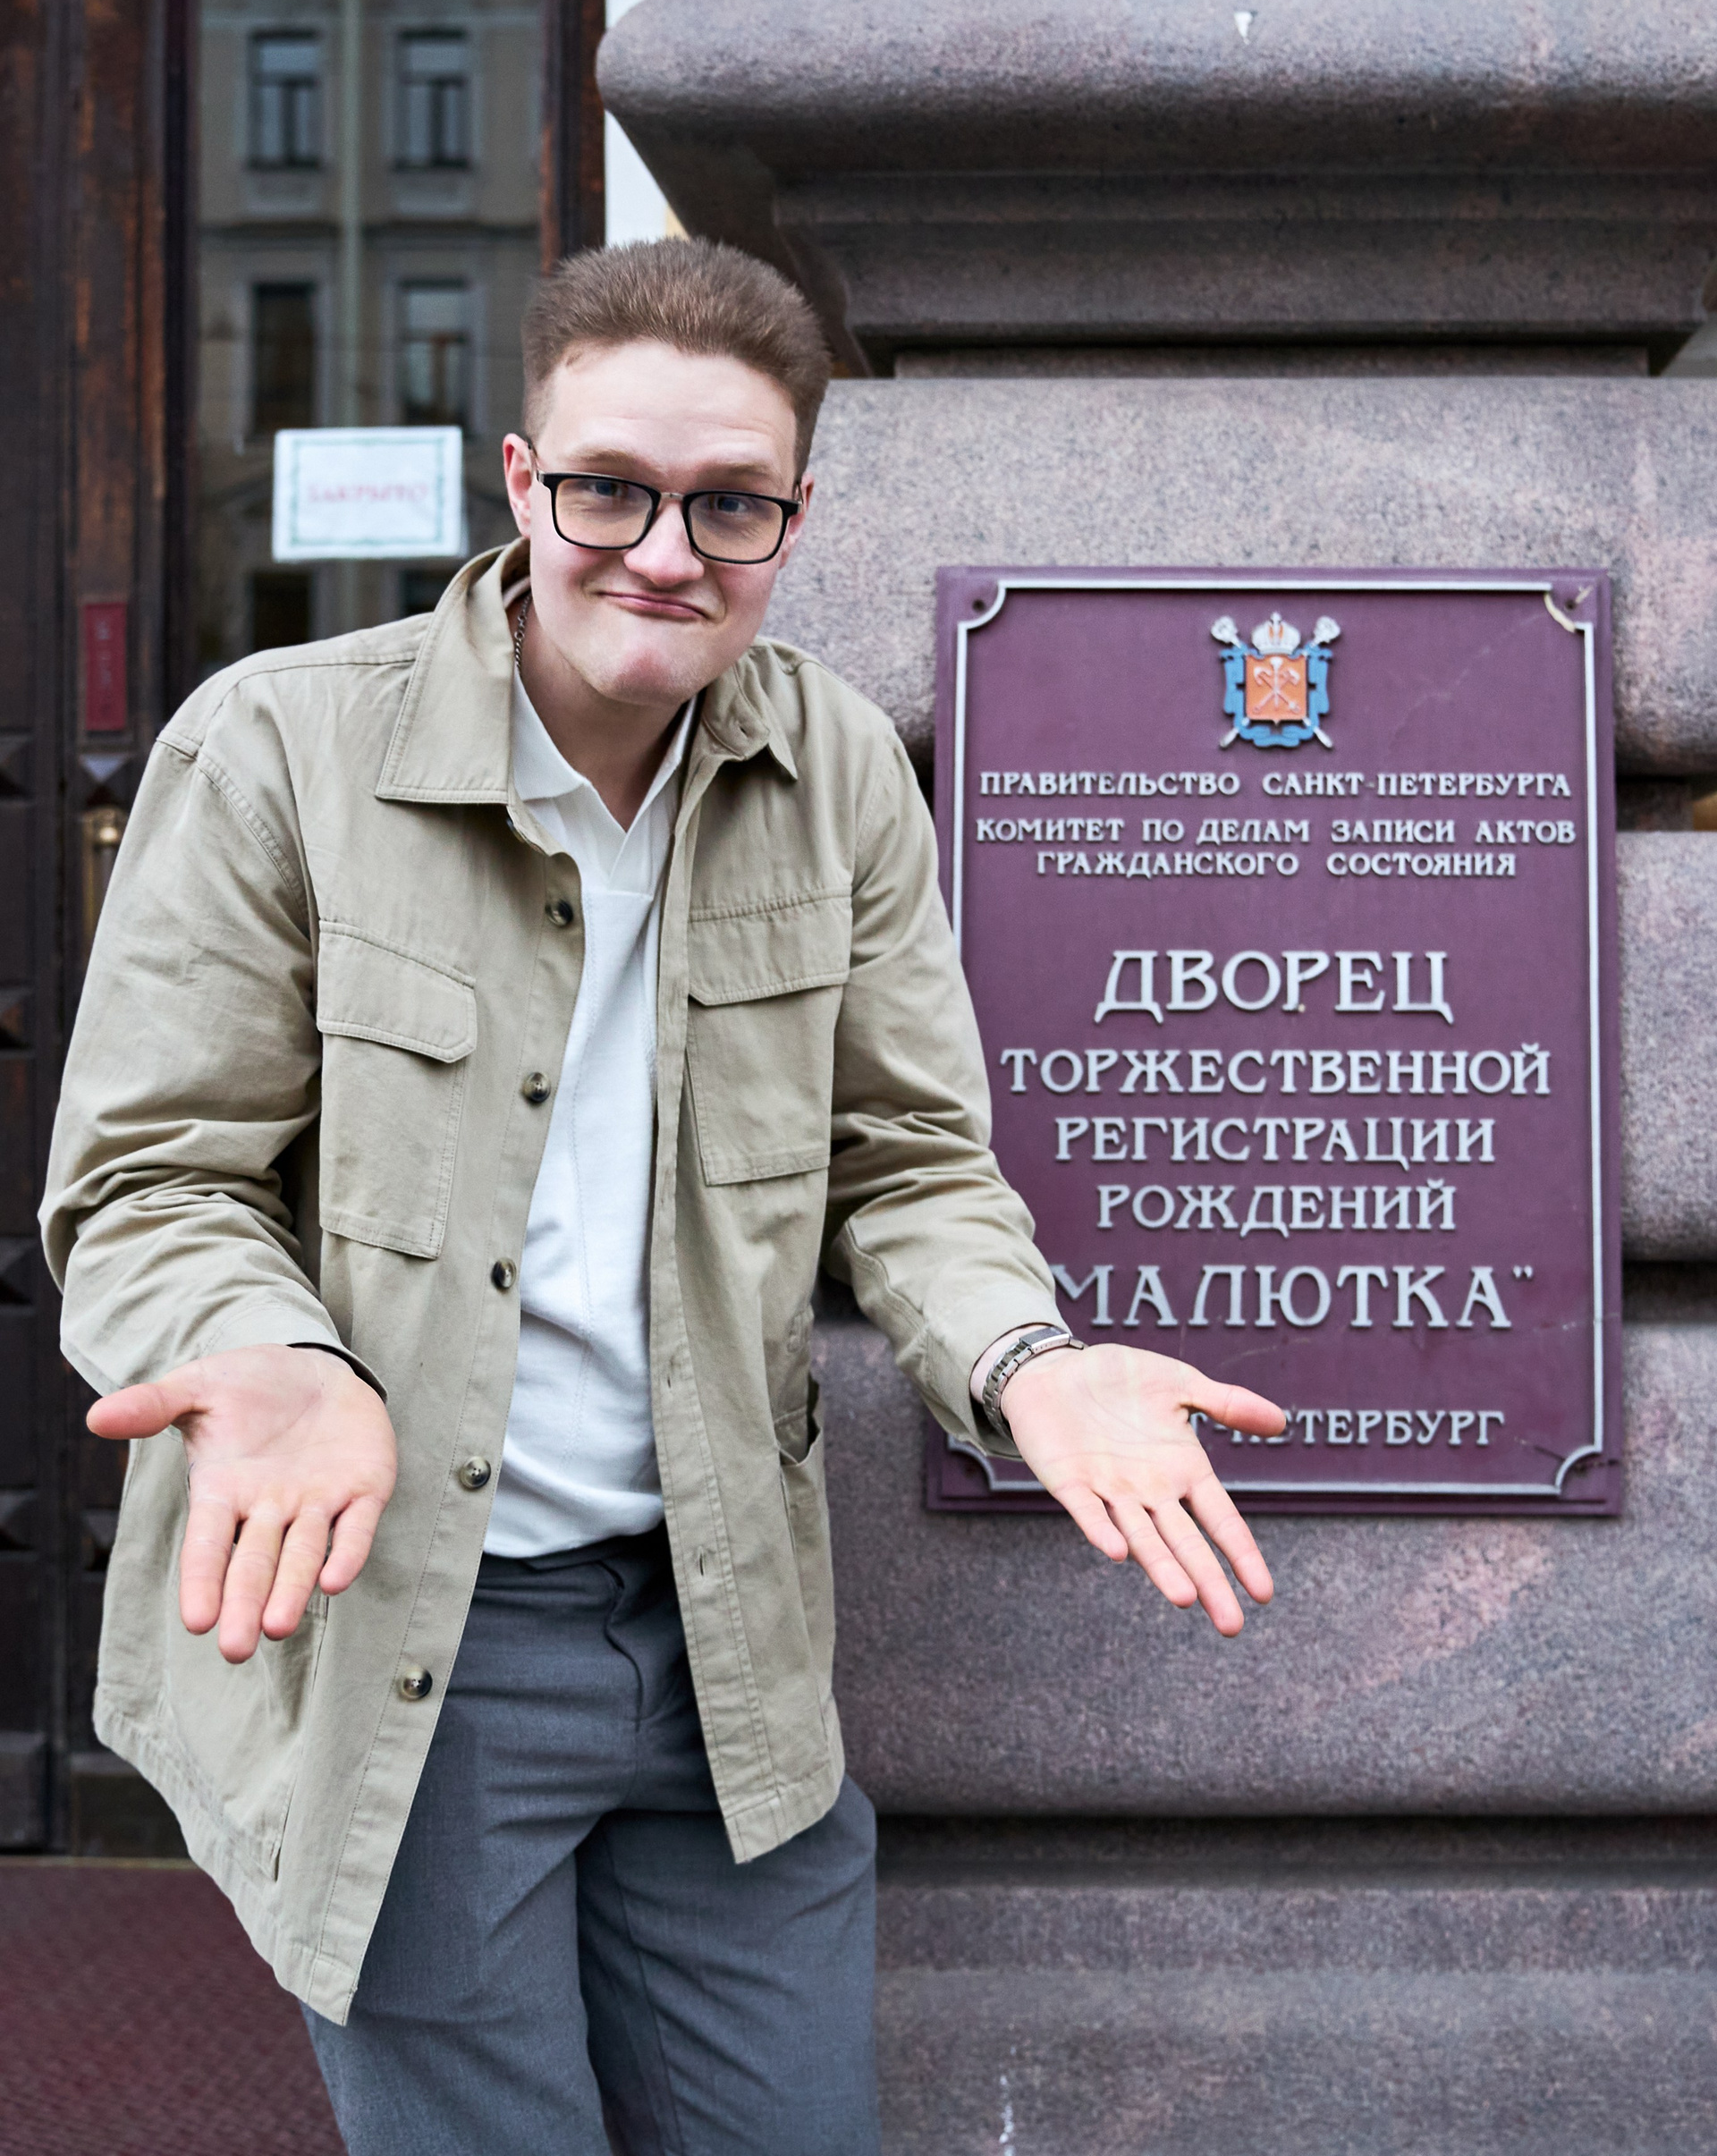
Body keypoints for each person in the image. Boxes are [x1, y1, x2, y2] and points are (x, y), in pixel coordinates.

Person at [44, 239, 1284, 2156]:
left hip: (728, 1636)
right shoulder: (280, 745)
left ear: (793, 518)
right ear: (523, 481)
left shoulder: (838, 763)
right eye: (610, 489)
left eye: (730, 504)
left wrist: (1026, 1361)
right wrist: (276, 1355)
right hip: (415, 1636)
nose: (665, 551)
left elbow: (911, 1156)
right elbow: (152, 1175)